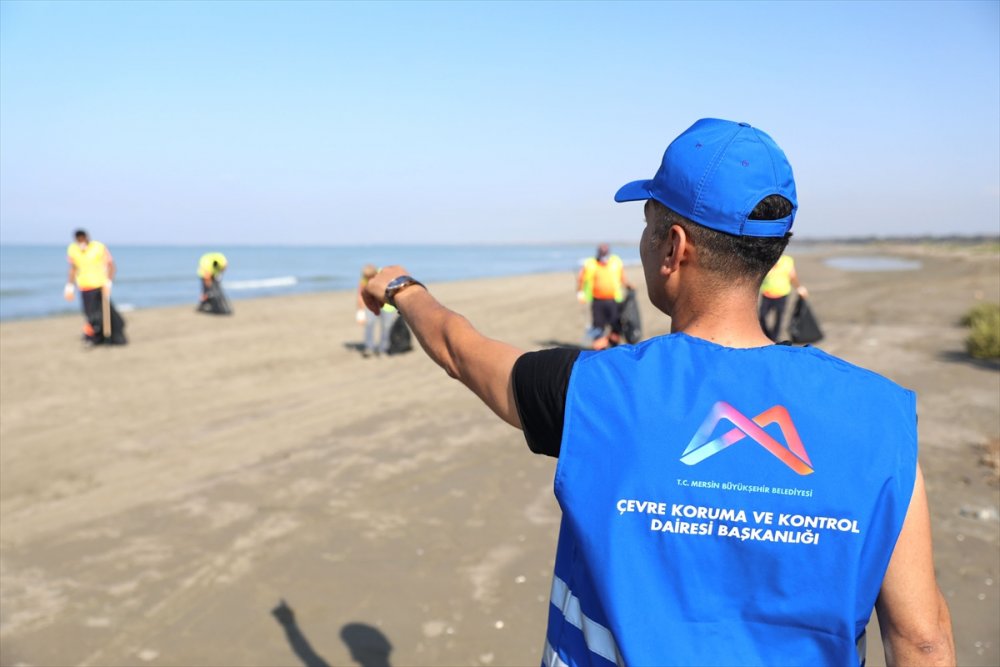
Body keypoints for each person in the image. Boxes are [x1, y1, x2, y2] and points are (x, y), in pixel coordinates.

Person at [359, 119, 954, 666]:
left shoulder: (594, 392)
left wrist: (402, 287)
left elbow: (461, 351)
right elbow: (921, 640)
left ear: (674, 247)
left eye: (645, 229)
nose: (641, 248)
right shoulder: (878, 418)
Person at [64, 229, 126, 345]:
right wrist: (69, 286)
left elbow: (111, 266)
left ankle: (103, 336)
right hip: (84, 286)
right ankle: (95, 336)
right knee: (90, 315)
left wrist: (108, 282)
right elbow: (73, 268)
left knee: (103, 314)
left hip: (99, 285)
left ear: (87, 237)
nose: (81, 242)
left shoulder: (99, 247)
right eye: (79, 240)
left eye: (83, 239)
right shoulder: (73, 249)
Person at [577, 243, 632, 349]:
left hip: (614, 301)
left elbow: (623, 278)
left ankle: (614, 347)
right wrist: (580, 293)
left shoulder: (616, 262)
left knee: (616, 326)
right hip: (597, 301)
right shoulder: (591, 264)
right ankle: (600, 350)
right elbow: (581, 279)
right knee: (598, 327)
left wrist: (629, 286)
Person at [759, 253, 807, 341]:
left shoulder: (787, 261)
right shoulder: (765, 259)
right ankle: (767, 334)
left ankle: (774, 338)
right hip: (766, 294)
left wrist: (799, 288)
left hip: (782, 294)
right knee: (762, 316)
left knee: (779, 317)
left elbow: (793, 276)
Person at [357, 264, 399, 358]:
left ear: (375, 273)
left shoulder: (384, 275)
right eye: (366, 278)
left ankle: (383, 349)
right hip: (371, 303)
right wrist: (360, 312)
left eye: (370, 277)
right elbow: (360, 294)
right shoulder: (365, 278)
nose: (368, 279)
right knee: (369, 324)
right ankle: (369, 347)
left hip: (386, 305)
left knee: (386, 326)